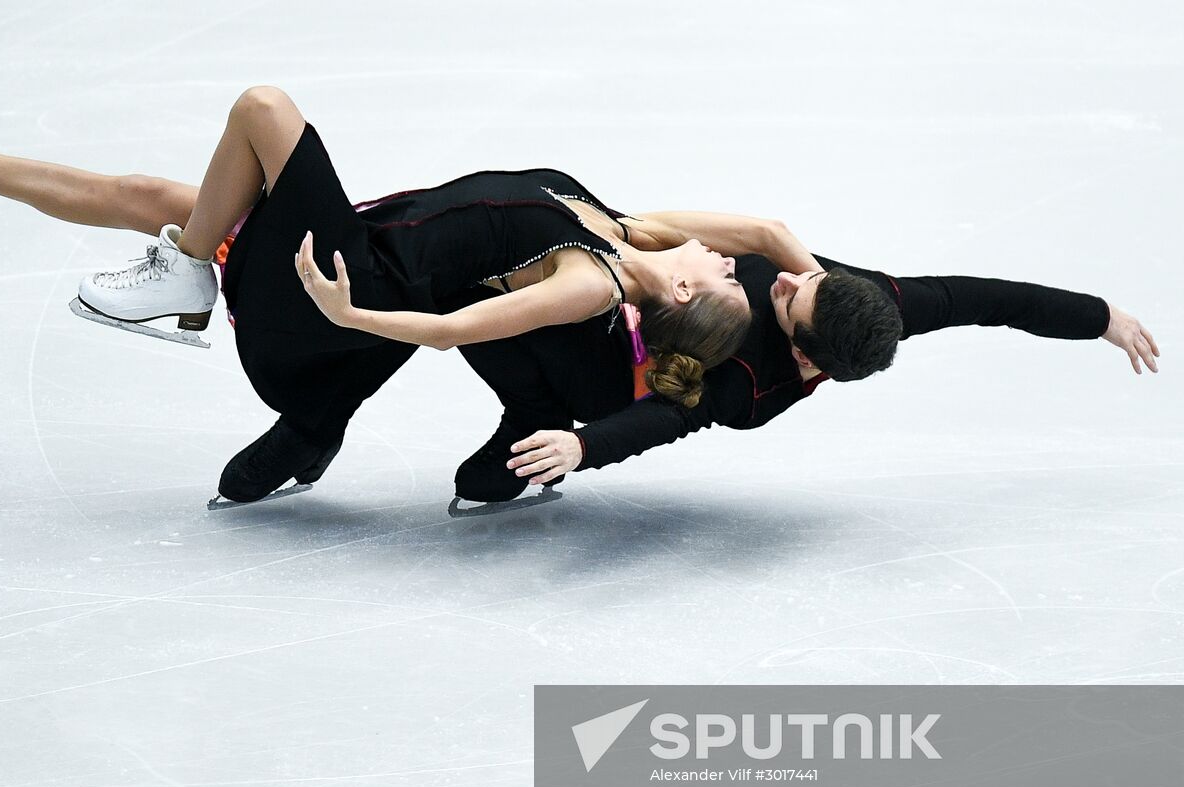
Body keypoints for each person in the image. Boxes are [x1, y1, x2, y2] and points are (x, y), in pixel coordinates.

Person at [0, 73, 865, 504]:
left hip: (331, 281)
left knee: (264, 109)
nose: (730, 259)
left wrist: (351, 314)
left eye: (719, 275)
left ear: (673, 299)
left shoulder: (588, 279)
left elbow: (461, 325)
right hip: (357, 238)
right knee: (153, 192)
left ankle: (185, 278)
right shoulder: (628, 227)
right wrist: (815, 281)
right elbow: (769, 231)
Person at [451, 253, 1160, 503]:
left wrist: (580, 446)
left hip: (607, 379)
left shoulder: (745, 385)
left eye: (795, 297)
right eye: (815, 276)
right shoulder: (879, 304)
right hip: (637, 291)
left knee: (497, 449)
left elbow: (666, 417)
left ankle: (531, 414)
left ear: (812, 357)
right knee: (467, 290)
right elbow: (995, 301)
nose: (788, 275)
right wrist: (1101, 317)